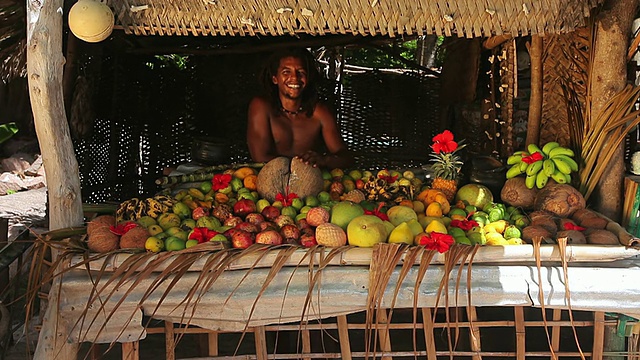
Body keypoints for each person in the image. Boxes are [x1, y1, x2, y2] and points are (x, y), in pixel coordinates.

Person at [247, 48, 353, 169]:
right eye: (286, 72)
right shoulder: (261, 106)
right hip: (271, 182)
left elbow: (346, 158)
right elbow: (260, 157)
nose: (294, 78)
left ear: (307, 78)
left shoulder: (319, 112)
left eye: (300, 72)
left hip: (312, 182)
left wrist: (324, 160)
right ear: (275, 78)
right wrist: (300, 165)